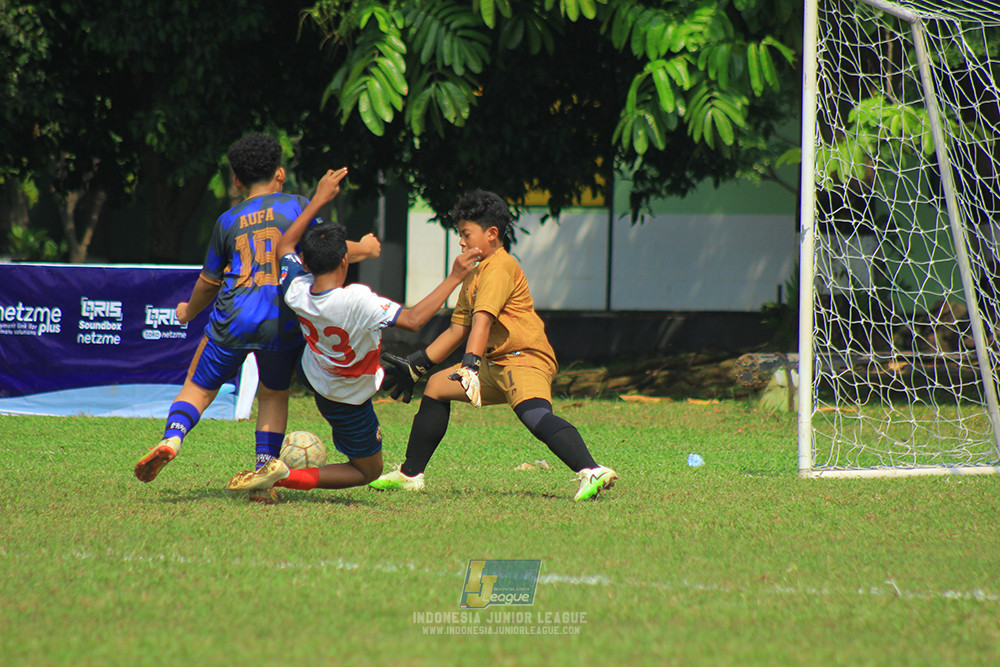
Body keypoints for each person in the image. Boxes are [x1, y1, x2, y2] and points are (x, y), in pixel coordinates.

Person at [133, 134, 380, 500]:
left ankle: (172, 438)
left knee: (199, 387)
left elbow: (207, 282)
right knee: (273, 395)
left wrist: (189, 310)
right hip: (280, 324)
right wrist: (369, 248)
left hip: (233, 318)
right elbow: (328, 248)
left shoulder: (227, 220)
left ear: (236, 181)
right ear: (280, 173)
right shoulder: (297, 206)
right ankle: (263, 476)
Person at [225, 168, 482, 497]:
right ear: (345, 261)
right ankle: (284, 477)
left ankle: (275, 472)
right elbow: (415, 319)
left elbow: (285, 244)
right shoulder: (357, 300)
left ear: (305, 261)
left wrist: (319, 199)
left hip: (317, 377)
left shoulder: (296, 289)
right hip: (349, 397)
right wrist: (455, 275)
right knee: (368, 470)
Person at [372, 190, 618, 501]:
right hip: (494, 364)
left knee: (534, 415)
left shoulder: (500, 267)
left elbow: (483, 322)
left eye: (466, 234)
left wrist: (470, 366)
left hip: (523, 358)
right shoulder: (475, 274)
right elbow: (457, 329)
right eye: (459, 234)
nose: (461, 241)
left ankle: (591, 469)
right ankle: (411, 474)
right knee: (436, 387)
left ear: (491, 234)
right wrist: (418, 363)